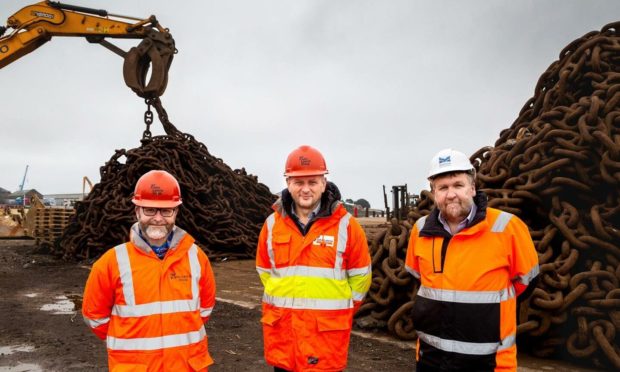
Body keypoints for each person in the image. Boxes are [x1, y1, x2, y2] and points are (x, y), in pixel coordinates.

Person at [405, 148, 539, 371]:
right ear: (434, 192)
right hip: (431, 358)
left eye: (458, 185)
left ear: (472, 188)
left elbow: (526, 282)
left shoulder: (507, 228)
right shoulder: (420, 231)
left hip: (488, 361)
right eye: (443, 188)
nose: (451, 194)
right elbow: (419, 278)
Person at [82, 170, 216, 371]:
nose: (158, 218)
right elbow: (95, 316)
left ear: (176, 212)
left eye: (166, 211)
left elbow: (204, 310)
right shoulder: (111, 262)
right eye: (150, 210)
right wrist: (131, 338)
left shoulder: (196, 257)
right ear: (137, 211)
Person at [256, 145, 372, 372]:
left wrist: (340, 310)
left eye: (312, 182)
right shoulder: (271, 225)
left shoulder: (346, 225)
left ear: (324, 183)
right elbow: (264, 272)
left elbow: (361, 278)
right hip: (285, 338)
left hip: (325, 341)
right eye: (299, 182)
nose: (305, 189)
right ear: (288, 183)